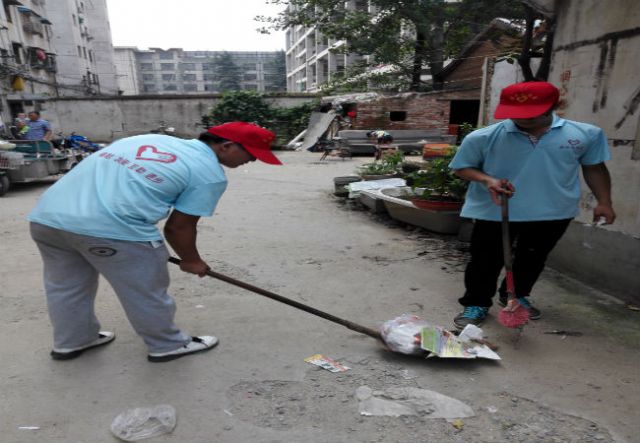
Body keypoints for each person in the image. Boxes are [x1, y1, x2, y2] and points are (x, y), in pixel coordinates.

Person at [28, 122, 282, 362]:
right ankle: (167, 344)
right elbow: (178, 227)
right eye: (251, 153)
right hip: (113, 228)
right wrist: (192, 260)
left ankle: (73, 341)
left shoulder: (152, 139)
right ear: (226, 146)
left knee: (66, 285)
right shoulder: (209, 173)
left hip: (48, 219)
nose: (252, 159)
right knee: (144, 289)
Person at [449, 81, 615, 329]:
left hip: (553, 210)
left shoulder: (586, 135)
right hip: (495, 210)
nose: (521, 118)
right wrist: (488, 179)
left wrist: (604, 201)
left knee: (533, 258)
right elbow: (461, 167)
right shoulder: (483, 137)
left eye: (530, 113)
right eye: (514, 113)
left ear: (554, 105)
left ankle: (515, 295)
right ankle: (477, 302)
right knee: (485, 259)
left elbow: (594, 167)